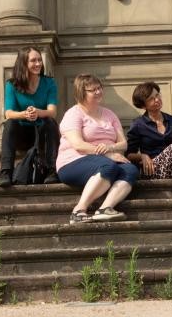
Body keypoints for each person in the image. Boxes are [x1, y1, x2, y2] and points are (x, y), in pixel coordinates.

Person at [56, 74, 139, 222]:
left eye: (99, 88)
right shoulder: (73, 114)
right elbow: (78, 145)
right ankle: (79, 210)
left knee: (130, 169)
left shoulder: (109, 114)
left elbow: (123, 143)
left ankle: (105, 209)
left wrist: (109, 147)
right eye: (92, 90)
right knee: (108, 166)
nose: (98, 92)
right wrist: (108, 154)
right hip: (73, 161)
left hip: (105, 160)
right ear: (81, 92)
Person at [0, 47, 60, 188]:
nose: (38, 64)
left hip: (42, 134)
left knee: (50, 122)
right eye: (33, 60)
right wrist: (24, 114)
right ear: (23, 63)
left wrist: (38, 112)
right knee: (9, 124)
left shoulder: (49, 83)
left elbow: (52, 112)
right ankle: (6, 172)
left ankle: (52, 171)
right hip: (22, 135)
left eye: (39, 60)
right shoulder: (12, 84)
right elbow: (8, 113)